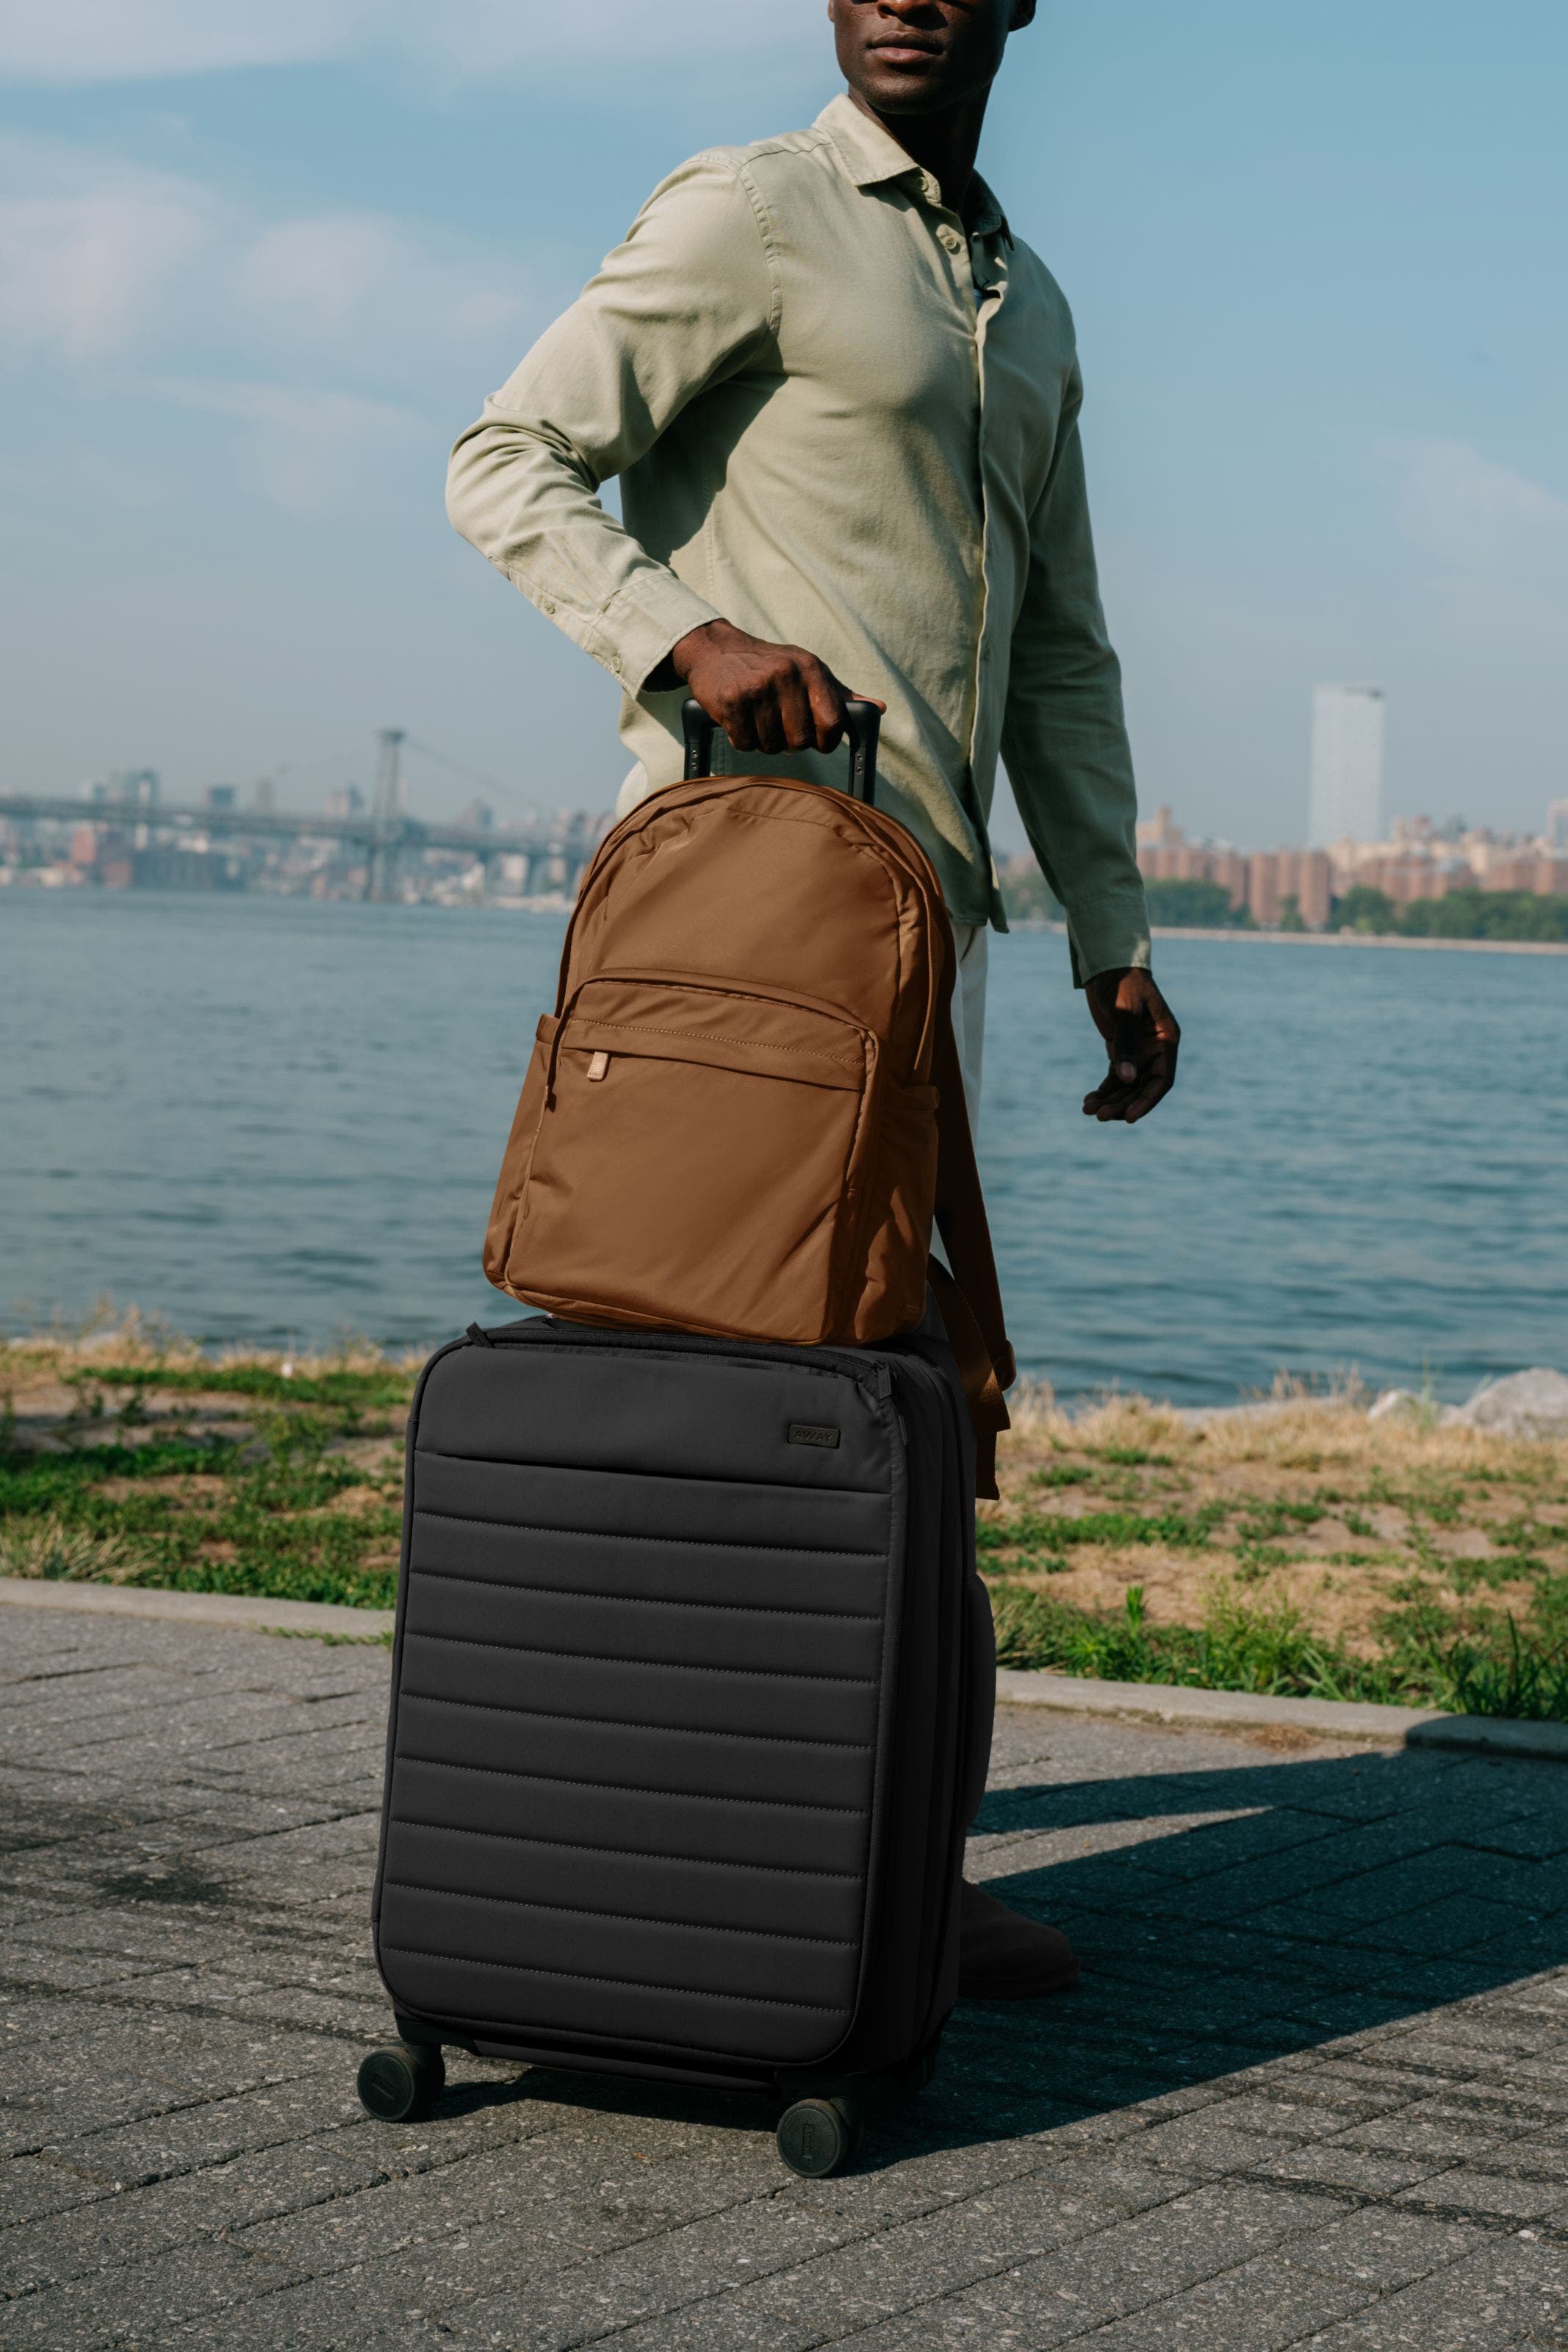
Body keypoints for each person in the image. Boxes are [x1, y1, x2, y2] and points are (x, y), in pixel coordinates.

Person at [447, 0, 1182, 1997]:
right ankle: (747, 1858)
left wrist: (1109, 927)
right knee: (777, 1372)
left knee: (915, 1381)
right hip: (732, 926)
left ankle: (863, 1856)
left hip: (915, 946)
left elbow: (1062, 653)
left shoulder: (1028, 313)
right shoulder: (753, 213)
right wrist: (680, 630)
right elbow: (505, 460)